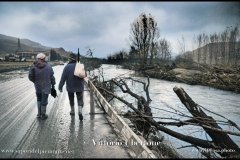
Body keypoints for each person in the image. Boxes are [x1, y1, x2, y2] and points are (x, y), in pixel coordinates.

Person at [58, 53, 86, 121]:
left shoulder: (67, 67)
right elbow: (85, 75)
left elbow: (63, 78)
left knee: (71, 98)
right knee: (79, 99)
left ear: (70, 60)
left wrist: (60, 87)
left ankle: (72, 111)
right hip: (79, 86)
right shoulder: (79, 66)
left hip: (70, 86)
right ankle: (80, 111)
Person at [28, 53, 56, 120]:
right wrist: (53, 85)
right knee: (44, 100)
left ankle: (39, 114)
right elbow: (52, 77)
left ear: (37, 58)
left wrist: (35, 81)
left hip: (38, 87)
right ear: (44, 58)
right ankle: (43, 115)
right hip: (46, 87)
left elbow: (30, 77)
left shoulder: (33, 66)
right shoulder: (49, 66)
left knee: (39, 99)